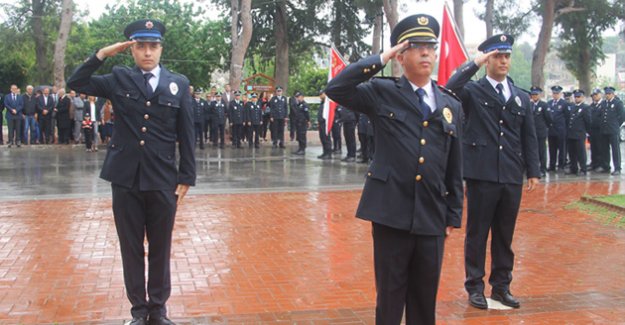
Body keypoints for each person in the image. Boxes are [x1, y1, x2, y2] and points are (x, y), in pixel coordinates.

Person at [325, 14, 463, 325]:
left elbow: (455, 163)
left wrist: (453, 213)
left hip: (431, 213)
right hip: (390, 211)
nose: (426, 52)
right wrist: (382, 57)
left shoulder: (450, 105)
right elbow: (337, 88)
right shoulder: (381, 91)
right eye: (415, 46)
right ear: (400, 55)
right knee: (389, 297)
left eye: (430, 46)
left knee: (424, 299)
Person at [67, 19, 195, 325]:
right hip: (125, 179)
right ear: (132, 50)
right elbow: (77, 82)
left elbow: (187, 133)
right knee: (131, 248)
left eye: (153, 46)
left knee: (161, 248)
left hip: (163, 180)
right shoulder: (119, 78)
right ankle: (139, 312)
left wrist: (186, 176)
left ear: (161, 49)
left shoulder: (179, 83)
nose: (147, 52)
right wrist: (101, 55)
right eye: (141, 46)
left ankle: (159, 311)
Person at [446, 33, 540, 310]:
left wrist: (533, 171)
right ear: (487, 59)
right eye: (497, 56)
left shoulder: (521, 96)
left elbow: (529, 137)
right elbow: (450, 87)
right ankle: (474, 286)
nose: (503, 61)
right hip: (482, 174)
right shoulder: (473, 92)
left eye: (506, 56)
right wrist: (474, 63)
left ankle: (502, 287)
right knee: (477, 235)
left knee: (504, 235)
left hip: (511, 174)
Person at [599, 86, 625, 175]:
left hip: (613, 129)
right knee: (605, 149)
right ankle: (606, 166)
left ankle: (617, 168)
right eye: (606, 94)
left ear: (613, 94)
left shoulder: (618, 103)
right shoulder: (603, 103)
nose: (607, 95)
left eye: (609, 94)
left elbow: (622, 116)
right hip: (604, 129)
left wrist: (616, 125)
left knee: (615, 149)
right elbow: (600, 115)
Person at [565, 89, 591, 176]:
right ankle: (574, 168)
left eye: (578, 97)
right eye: (575, 97)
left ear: (582, 97)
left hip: (580, 133)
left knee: (581, 152)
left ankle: (583, 169)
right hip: (571, 133)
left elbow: (588, 121)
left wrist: (586, 132)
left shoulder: (585, 107)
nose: (577, 98)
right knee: (572, 152)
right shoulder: (572, 107)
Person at [530, 86, 551, 176]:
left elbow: (549, 119)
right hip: (531, 132)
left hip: (541, 132)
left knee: (542, 151)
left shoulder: (544, 105)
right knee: (533, 151)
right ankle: (534, 169)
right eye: (533, 94)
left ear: (539, 95)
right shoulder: (529, 105)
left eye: (536, 94)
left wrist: (544, 127)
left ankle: (543, 169)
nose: (534, 96)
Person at [547, 85, 568, 172]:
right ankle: (552, 165)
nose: (555, 95)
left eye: (557, 93)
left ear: (560, 94)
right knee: (552, 149)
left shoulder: (564, 104)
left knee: (561, 148)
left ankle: (561, 165)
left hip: (560, 130)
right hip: (551, 130)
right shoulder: (549, 103)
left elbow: (567, 116)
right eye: (554, 93)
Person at [588, 88, 604, 171]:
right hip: (592, 130)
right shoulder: (591, 106)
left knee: (600, 148)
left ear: (600, 94)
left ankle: (600, 164)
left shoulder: (604, 105)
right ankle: (594, 163)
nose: (594, 97)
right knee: (593, 147)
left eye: (596, 95)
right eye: (593, 95)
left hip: (600, 130)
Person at [317, 91, 333, 160]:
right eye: (319, 94)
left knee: (326, 138)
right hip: (321, 123)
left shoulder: (327, 103)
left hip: (325, 123)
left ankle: (328, 153)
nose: (320, 96)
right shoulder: (322, 103)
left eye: (321, 94)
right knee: (322, 138)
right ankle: (325, 152)